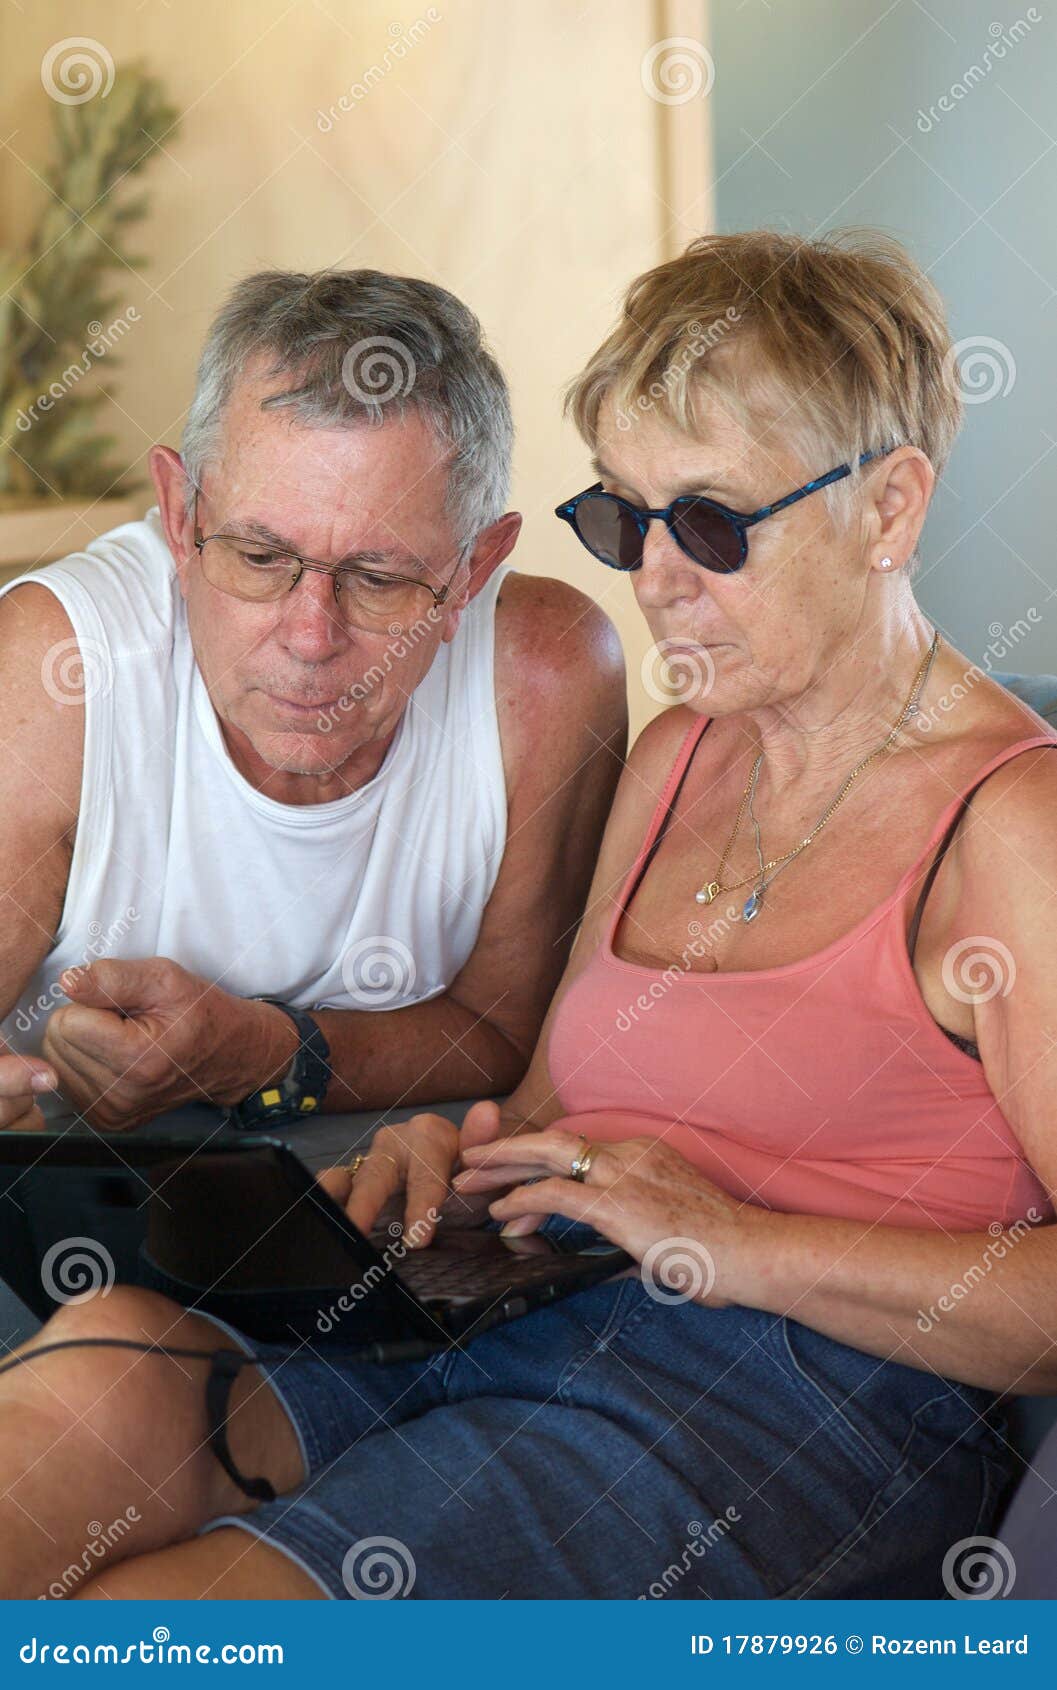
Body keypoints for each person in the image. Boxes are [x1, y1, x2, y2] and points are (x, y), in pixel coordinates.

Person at [5, 229, 1056, 1601]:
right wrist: (454, 1157)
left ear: (891, 506)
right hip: (525, 1305)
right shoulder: (677, 754)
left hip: (774, 1405)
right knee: (96, 1387)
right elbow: (548, 1098)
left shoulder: (1009, 828)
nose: (659, 579)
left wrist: (735, 1240)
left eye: (715, 523)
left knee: (155, 1619)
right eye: (626, 519)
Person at [0, 269, 625, 1135]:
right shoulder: (62, 662)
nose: (308, 637)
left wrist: (269, 1054)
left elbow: (504, 1031)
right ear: (181, 517)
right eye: (259, 557)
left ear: (473, 573)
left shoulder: (547, 673)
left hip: (391, 1221)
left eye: (377, 579)